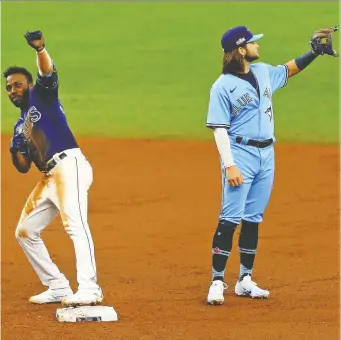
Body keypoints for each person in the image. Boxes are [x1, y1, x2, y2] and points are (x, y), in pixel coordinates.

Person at [206, 25, 338, 305]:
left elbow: (289, 69)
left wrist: (313, 53)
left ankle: (245, 280)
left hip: (267, 154)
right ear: (240, 50)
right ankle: (217, 281)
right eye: (252, 43)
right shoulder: (222, 86)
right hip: (240, 152)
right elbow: (219, 128)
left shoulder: (263, 71)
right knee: (230, 218)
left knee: (253, 218)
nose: (257, 46)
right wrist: (229, 165)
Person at [4, 30, 104, 307]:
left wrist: (40, 50)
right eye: (9, 88)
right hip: (49, 176)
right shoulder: (18, 127)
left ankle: (90, 287)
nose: (13, 91)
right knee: (25, 231)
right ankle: (58, 285)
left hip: (69, 164)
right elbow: (23, 167)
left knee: (75, 224)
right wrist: (15, 149)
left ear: (28, 85)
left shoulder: (42, 96)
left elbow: (47, 73)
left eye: (17, 85)